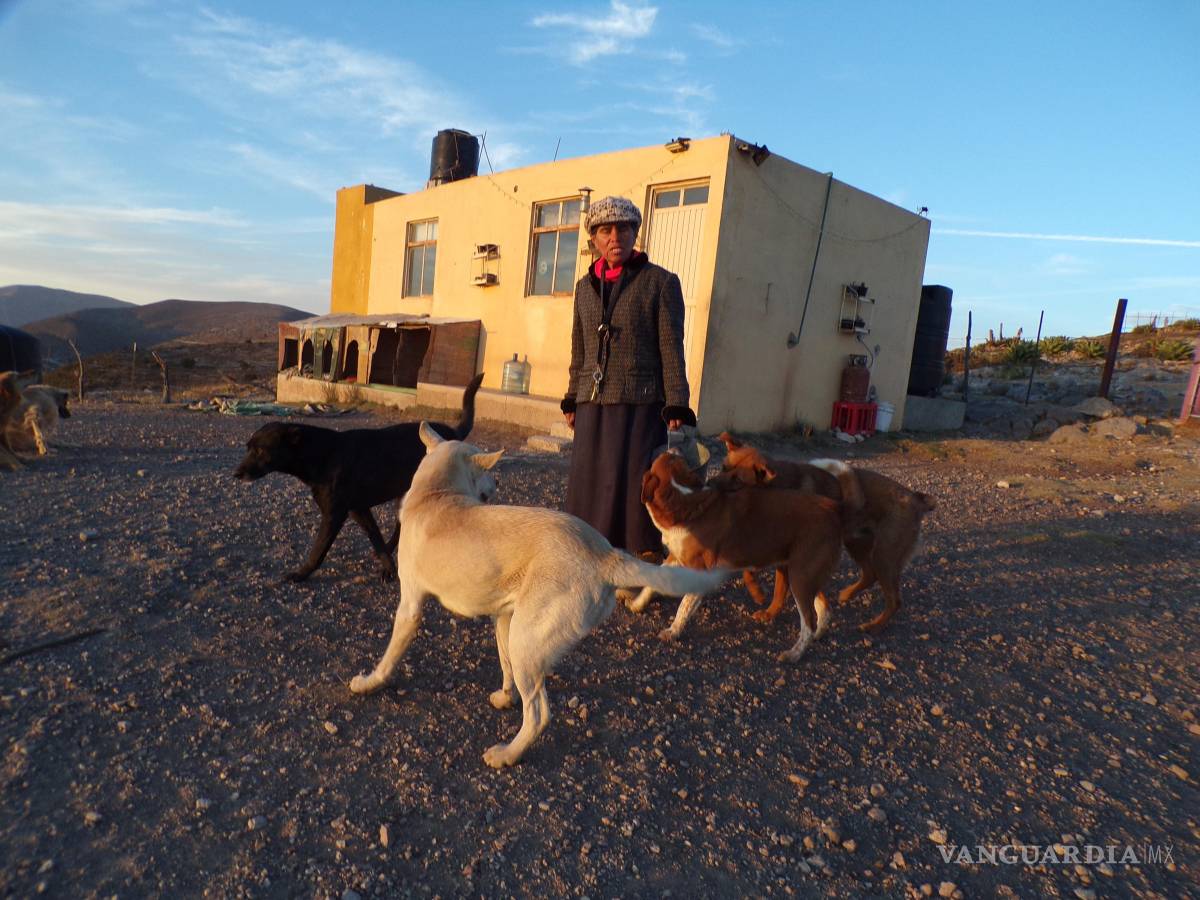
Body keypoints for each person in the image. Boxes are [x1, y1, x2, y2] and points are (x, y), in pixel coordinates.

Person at [561, 195, 696, 558]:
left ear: (635, 232)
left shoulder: (661, 283)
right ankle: (587, 555)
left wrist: (677, 404)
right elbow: (580, 349)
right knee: (589, 483)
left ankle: (638, 560)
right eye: (605, 230)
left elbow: (671, 347)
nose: (615, 237)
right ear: (594, 239)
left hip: (640, 401)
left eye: (623, 228)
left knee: (635, 485)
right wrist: (573, 397)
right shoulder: (583, 288)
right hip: (592, 402)